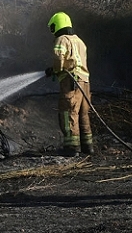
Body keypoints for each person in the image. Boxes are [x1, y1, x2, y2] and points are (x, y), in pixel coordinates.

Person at [45, 12, 93, 157]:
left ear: (56, 25)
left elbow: (59, 59)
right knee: (83, 113)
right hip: (85, 82)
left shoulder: (61, 40)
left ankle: (71, 147)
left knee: (68, 112)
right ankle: (87, 146)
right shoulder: (80, 41)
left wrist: (53, 70)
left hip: (70, 81)